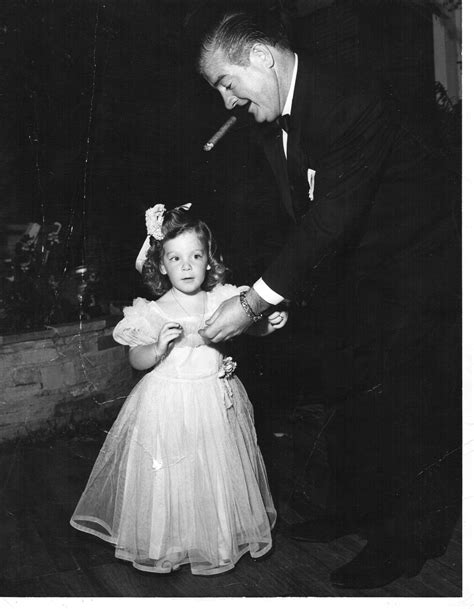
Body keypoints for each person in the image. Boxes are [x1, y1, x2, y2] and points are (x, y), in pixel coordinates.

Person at [195, 6, 461, 589]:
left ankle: (408, 542)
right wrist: (286, 291)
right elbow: (301, 217)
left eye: (225, 82)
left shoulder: (350, 95)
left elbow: (333, 218)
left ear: (260, 57)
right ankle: (356, 507)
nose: (226, 103)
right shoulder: (270, 119)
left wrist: (257, 302)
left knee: (412, 408)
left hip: (420, 271)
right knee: (351, 391)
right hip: (357, 278)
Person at [70, 203, 287, 576]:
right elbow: (135, 358)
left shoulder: (222, 298)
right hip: (167, 403)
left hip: (213, 401)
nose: (186, 266)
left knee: (214, 467)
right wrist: (155, 349)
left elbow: (250, 326)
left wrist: (270, 323)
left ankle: (217, 540)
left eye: (195, 256)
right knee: (168, 474)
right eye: (175, 258)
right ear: (161, 265)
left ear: (208, 260)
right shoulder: (155, 310)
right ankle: (164, 544)